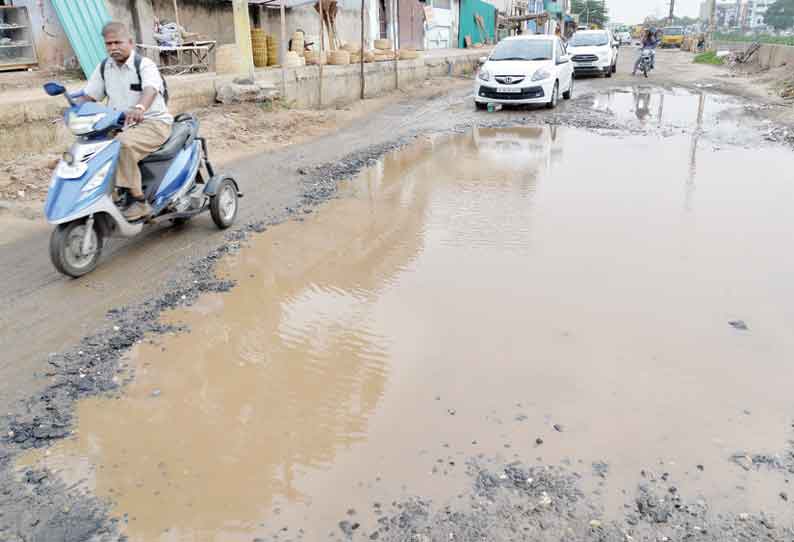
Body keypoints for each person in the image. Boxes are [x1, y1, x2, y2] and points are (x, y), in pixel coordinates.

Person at [81, 21, 173, 221]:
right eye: (108, 44)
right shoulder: (105, 67)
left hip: (152, 123)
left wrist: (140, 107)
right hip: (119, 124)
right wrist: (73, 108)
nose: (113, 47)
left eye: (117, 42)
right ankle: (106, 196)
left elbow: (150, 89)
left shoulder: (144, 65)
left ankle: (138, 201)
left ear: (130, 42)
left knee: (121, 145)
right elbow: (90, 95)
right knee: (90, 147)